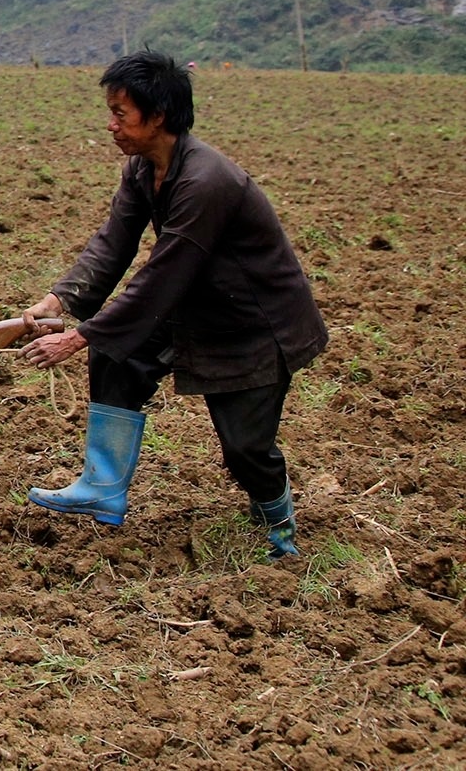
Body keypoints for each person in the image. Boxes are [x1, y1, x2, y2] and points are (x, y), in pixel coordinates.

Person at [17, 50, 327, 556]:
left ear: (157, 116)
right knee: (117, 354)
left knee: (245, 445)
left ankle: (280, 526)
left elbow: (163, 276)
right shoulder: (143, 169)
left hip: (254, 323)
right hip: (195, 303)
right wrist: (61, 299)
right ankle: (103, 487)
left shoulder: (206, 182)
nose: (111, 124)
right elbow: (113, 242)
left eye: (121, 113)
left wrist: (81, 334)